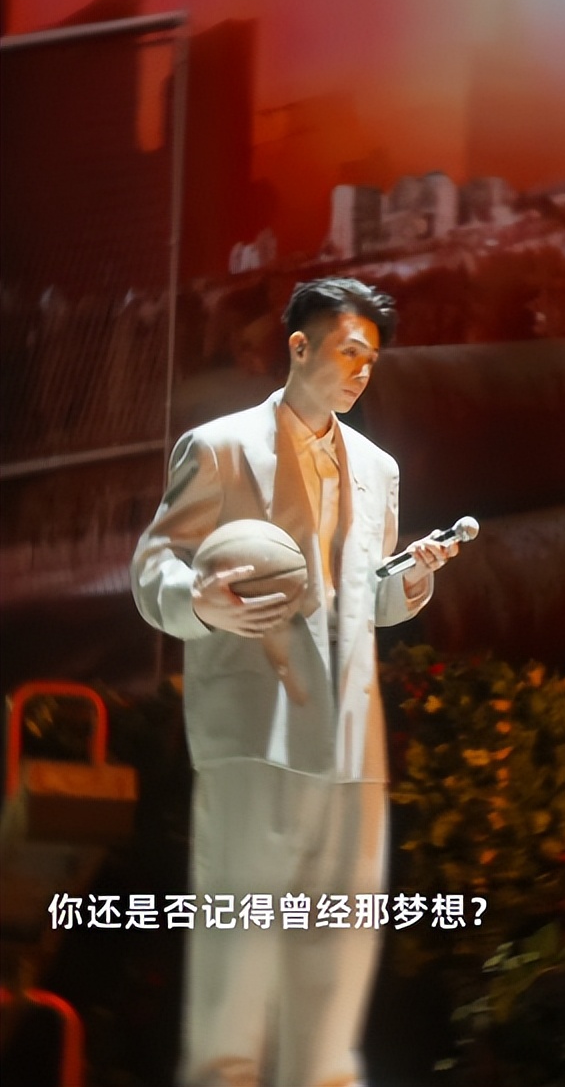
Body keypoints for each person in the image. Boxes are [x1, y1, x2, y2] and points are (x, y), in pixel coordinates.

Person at [131, 277, 459, 1087]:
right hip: (253, 729)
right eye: (349, 352)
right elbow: (154, 566)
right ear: (299, 346)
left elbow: (366, 596)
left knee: (335, 962)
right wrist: (197, 601)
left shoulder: (377, 468)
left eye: (372, 359)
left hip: (349, 737)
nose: (361, 372)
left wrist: (413, 577)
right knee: (238, 957)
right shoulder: (218, 447)